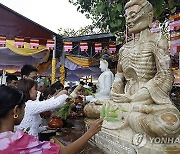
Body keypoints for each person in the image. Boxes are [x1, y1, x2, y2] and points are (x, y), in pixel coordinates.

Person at [102, 0, 180, 137]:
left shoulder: (157, 40)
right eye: (126, 17)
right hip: (124, 102)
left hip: (146, 102)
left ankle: (125, 115)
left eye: (133, 15)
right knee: (90, 108)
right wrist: (115, 92)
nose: (129, 21)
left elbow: (165, 76)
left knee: (166, 126)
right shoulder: (124, 49)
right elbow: (119, 77)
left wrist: (134, 98)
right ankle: (123, 114)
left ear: (149, 17)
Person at [0, 86, 103, 154]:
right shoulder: (20, 141)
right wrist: (90, 132)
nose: (24, 111)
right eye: (23, 108)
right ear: (16, 110)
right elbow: (65, 152)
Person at [16, 78, 82, 137]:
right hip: (29, 145)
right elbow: (55, 103)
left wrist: (46, 128)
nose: (37, 91)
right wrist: (65, 93)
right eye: (35, 89)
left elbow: (33, 129)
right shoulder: (30, 105)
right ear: (28, 90)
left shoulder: (28, 104)